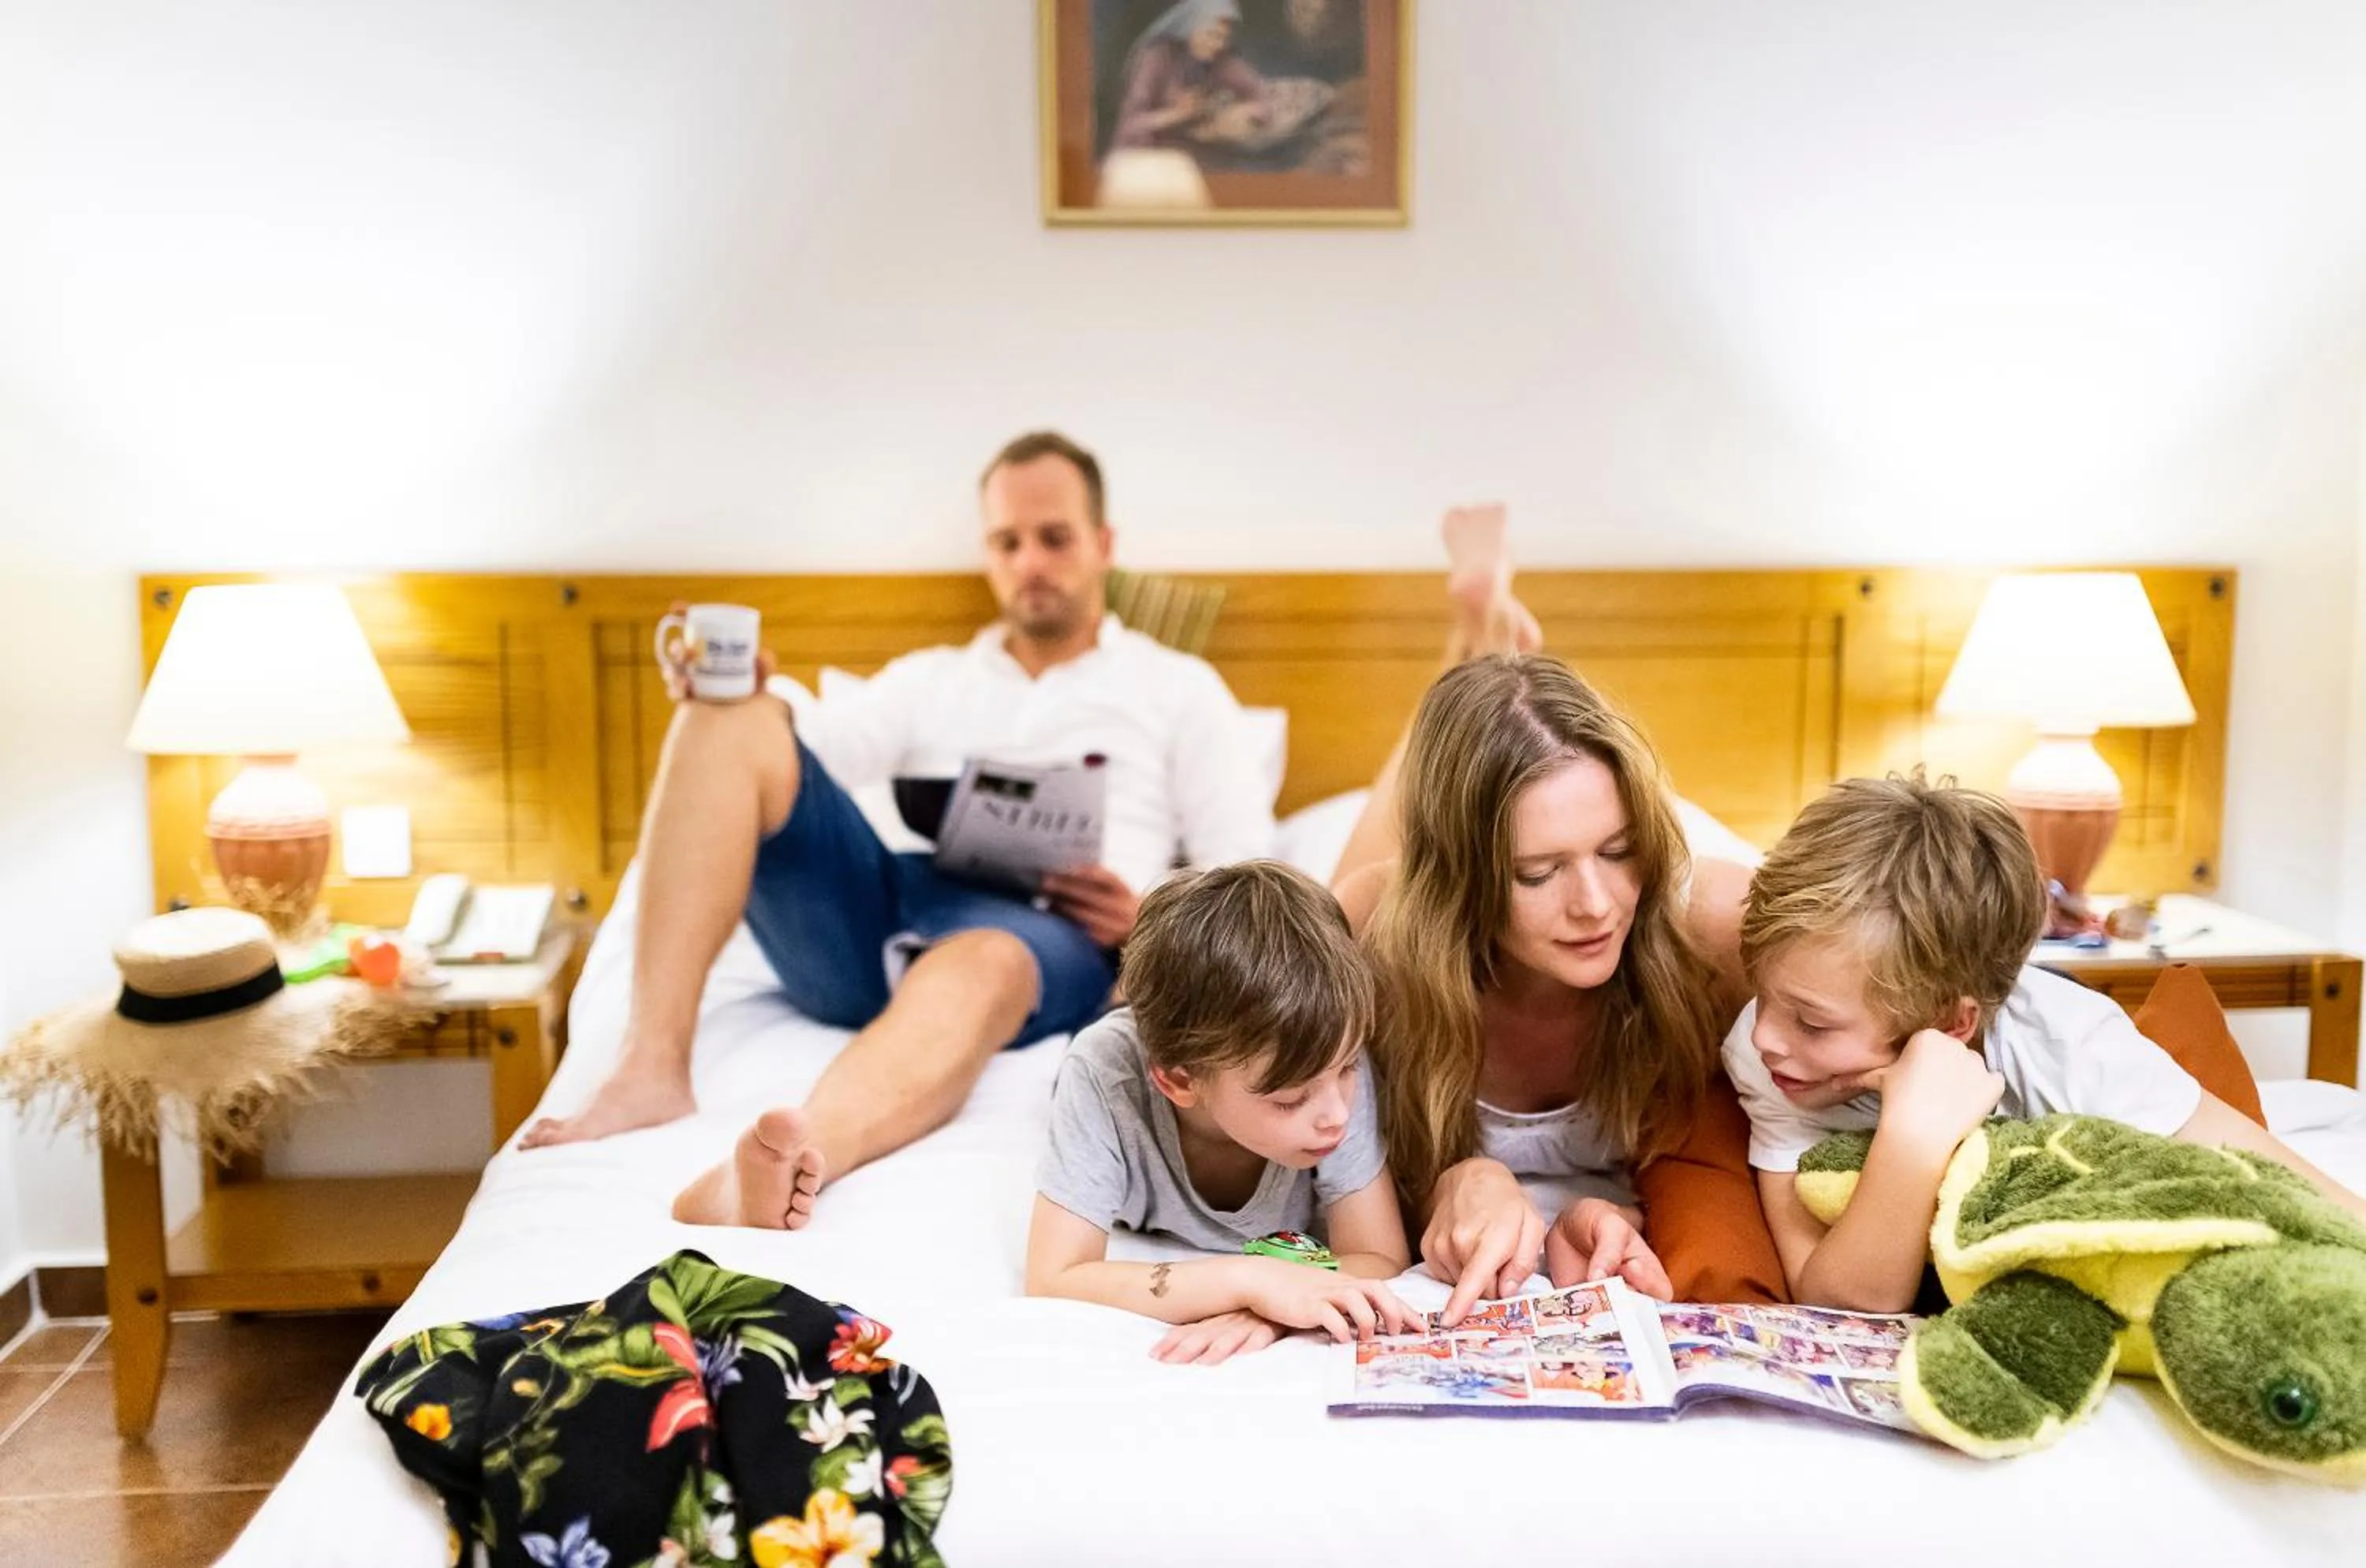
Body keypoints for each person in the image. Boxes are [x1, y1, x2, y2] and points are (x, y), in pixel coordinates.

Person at [525, 431, 1275, 1236]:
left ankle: (795, 1155)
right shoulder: (933, 678)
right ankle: (649, 1066)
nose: (1030, 563)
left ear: (1103, 544)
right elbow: (806, 743)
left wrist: (1148, 920)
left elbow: (1255, 879)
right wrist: (746, 695)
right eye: (1007, 542)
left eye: (1054, 538)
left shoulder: (1176, 689)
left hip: (1046, 933)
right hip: (884, 907)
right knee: (730, 717)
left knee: (985, 953)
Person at [1331, 506, 1759, 1323]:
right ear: (1462, 879)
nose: (1597, 904)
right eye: (1538, 872)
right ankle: (1472, 642)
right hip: (1392, 897)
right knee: (1343, 885)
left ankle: (1489, 646)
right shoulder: (1377, 929)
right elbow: (1257, 1181)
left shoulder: (1709, 923)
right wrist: (1457, 1178)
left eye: (1617, 848)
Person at [1731, 774, 2366, 1312]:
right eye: (1765, 996)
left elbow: (2291, 1194)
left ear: (1953, 1025)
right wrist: (1913, 1139)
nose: (1766, 1037)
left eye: (1813, 1024)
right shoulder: (1771, 1053)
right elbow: (1838, 1299)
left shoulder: (2073, 1047)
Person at [1025, 861, 1419, 1365]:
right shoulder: (1106, 1074)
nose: (1336, 1115)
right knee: (1102, 1037)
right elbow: (1053, 1278)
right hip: (1126, 1046)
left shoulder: (1326, 1054)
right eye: (1290, 1099)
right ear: (1180, 1081)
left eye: (1346, 1070)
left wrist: (1275, 1307)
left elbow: (1381, 1256)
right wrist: (1247, 1281)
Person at [1110, 0, 1271, 152]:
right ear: (1190, 29)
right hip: (1145, 151)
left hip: (1191, 152)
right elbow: (1130, 125)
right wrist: (1176, 114)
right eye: (1212, 34)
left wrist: (1243, 112)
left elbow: (1260, 94)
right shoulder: (1155, 58)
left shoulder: (1220, 59)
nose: (1218, 44)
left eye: (1224, 38)